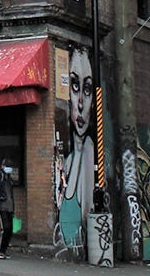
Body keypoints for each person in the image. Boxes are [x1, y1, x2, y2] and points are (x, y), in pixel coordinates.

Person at [58, 48, 95, 249]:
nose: (80, 102)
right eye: (74, 86)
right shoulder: (67, 159)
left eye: (87, 89)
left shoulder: (90, 150)